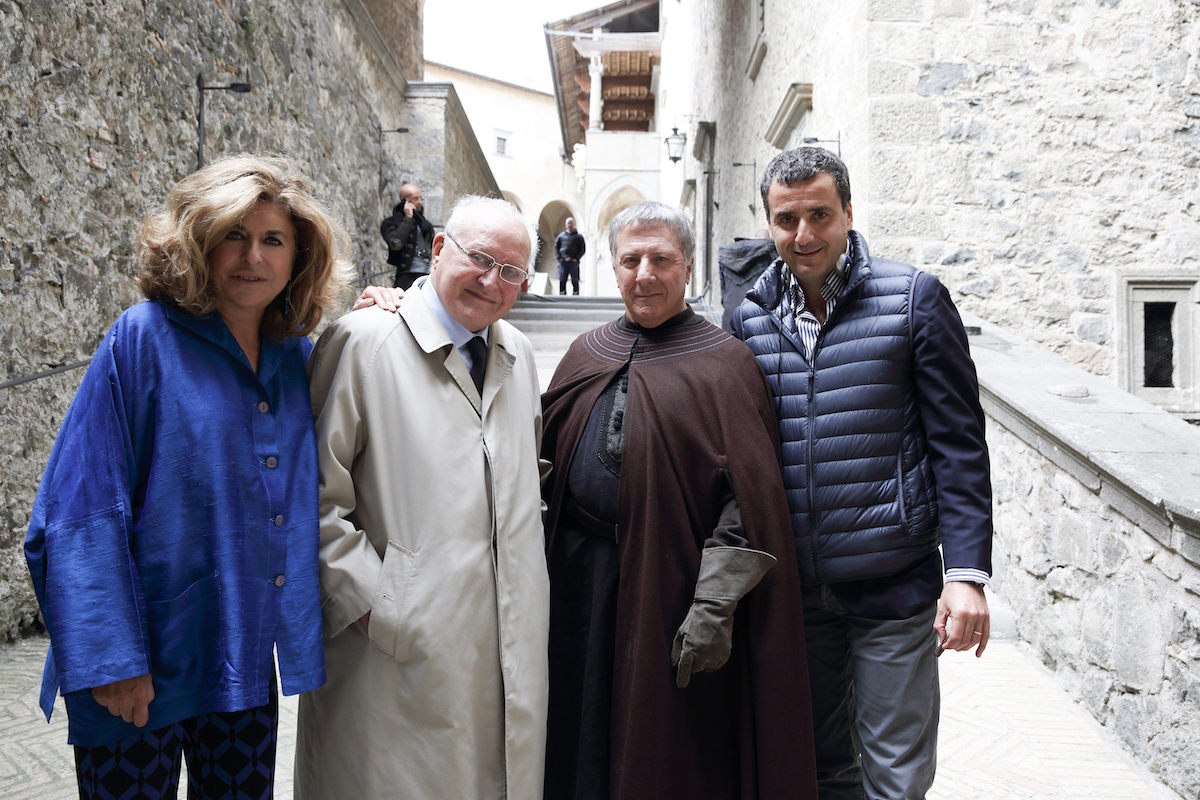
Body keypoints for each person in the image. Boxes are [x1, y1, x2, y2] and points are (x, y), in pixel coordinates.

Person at [24, 154, 349, 799]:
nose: (251, 256)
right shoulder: (142, 339)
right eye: (234, 234)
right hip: (139, 667)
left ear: (298, 257)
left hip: (242, 661)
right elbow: (78, 509)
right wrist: (113, 659)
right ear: (199, 242)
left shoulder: (296, 356)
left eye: (272, 240)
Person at [729, 147, 994, 800]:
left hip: (892, 585)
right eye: (786, 219)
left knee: (895, 777)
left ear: (849, 212)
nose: (803, 235)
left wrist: (966, 574)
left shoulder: (913, 300)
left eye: (820, 214)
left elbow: (958, 446)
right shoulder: (746, 318)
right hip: (792, 591)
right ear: (767, 223)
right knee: (820, 771)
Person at [540, 201, 818, 800]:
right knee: (576, 729)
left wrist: (713, 605)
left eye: (661, 259)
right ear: (612, 268)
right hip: (575, 582)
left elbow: (749, 499)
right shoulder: (585, 352)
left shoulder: (725, 365)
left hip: (673, 588)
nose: (644, 274)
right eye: (630, 259)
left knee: (664, 748)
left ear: (687, 266)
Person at [295, 196, 549, 800]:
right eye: (479, 259)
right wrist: (380, 605)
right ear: (438, 250)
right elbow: (311, 496)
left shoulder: (518, 353)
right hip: (392, 647)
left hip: (502, 638)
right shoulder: (365, 341)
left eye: (511, 271)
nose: (491, 282)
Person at [380, 182, 435, 289]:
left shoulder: (424, 224)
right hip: (407, 276)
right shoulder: (390, 223)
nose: (419, 202)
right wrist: (408, 218)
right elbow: (396, 243)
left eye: (420, 198)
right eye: (415, 198)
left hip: (428, 275)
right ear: (404, 200)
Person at [554, 216, 585, 295]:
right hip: (563, 262)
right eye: (568, 223)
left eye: (571, 223)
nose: (569, 225)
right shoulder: (561, 236)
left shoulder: (579, 237)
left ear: (574, 224)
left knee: (575, 279)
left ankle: (576, 294)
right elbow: (556, 247)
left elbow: (582, 249)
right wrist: (559, 258)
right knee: (562, 279)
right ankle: (562, 295)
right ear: (566, 225)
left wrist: (576, 258)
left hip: (573, 261)